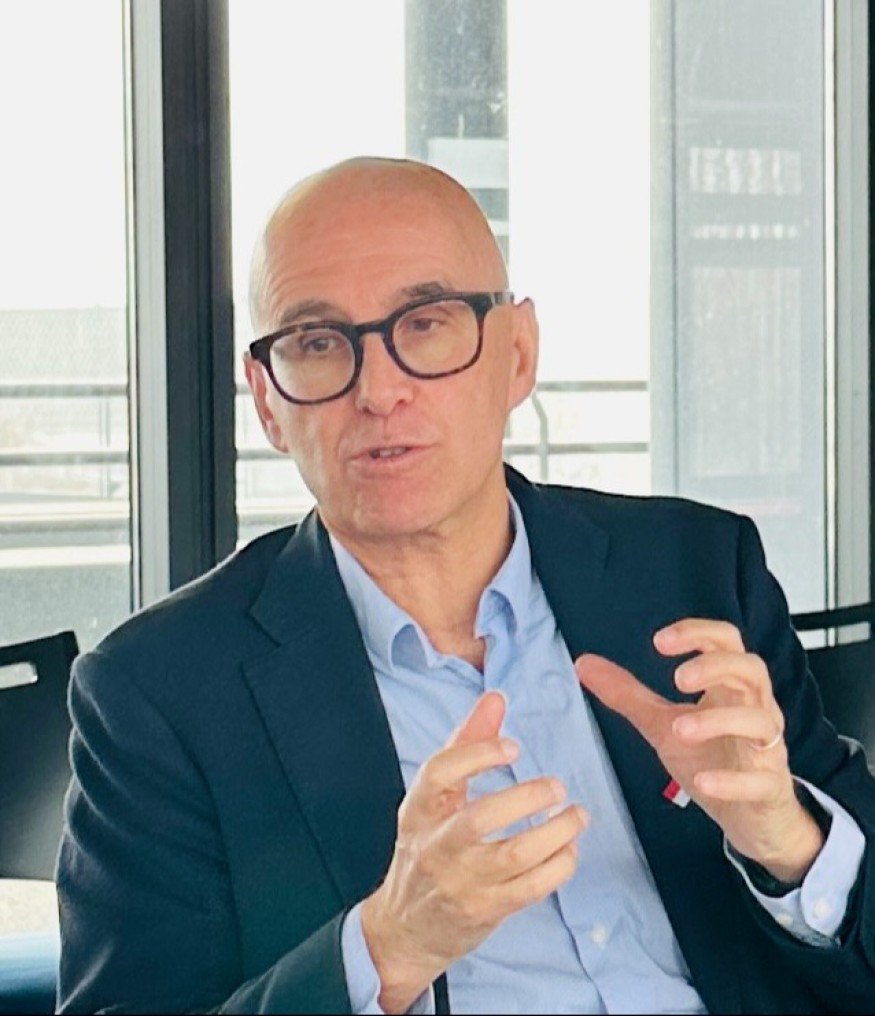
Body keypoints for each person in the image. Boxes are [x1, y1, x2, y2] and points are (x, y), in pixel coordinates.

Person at [57, 156, 875, 1015]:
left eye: (425, 325)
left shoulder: (692, 570)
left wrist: (787, 841)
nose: (379, 391)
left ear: (516, 355)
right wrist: (385, 948)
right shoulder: (160, 690)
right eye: (318, 343)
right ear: (267, 400)